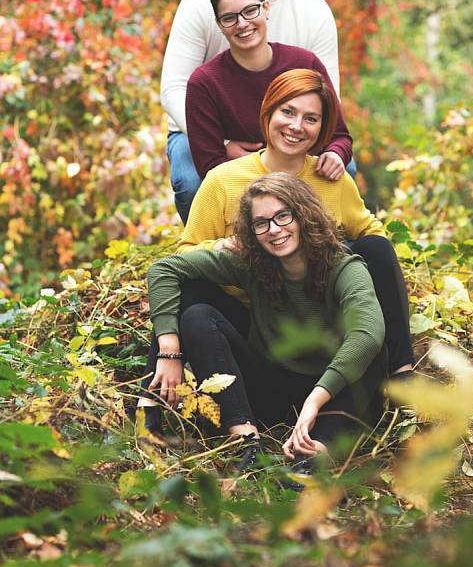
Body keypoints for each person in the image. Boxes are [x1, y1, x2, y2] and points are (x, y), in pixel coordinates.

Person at [137, 69, 413, 433]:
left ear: (322, 127)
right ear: (267, 113)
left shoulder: (331, 178)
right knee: (193, 291)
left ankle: (402, 372)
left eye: (311, 118)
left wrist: (325, 256)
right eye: (288, 112)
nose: (297, 126)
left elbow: (371, 237)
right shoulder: (223, 179)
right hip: (250, 312)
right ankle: (158, 392)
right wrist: (228, 245)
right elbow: (182, 257)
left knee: (376, 250)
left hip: (319, 312)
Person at [147, 173, 387, 471]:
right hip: (272, 388)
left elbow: (368, 333)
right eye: (261, 223)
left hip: (334, 395)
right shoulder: (254, 265)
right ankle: (246, 444)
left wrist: (315, 400)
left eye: (283, 216)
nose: (274, 230)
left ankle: (313, 456)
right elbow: (163, 270)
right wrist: (169, 349)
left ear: (303, 214)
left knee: (373, 347)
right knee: (198, 316)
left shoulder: (344, 267)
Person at [160, 0, 340, 220]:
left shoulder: (314, 13)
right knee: (190, 181)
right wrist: (220, 142)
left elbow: (328, 101)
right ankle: (207, 254)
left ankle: (322, 256)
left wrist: (290, 148)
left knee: (340, 168)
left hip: (288, 131)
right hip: (202, 130)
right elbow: (174, 87)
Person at [186, 0, 352, 182]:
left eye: (250, 11)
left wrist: (335, 154)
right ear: (219, 25)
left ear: (266, 8)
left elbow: (340, 136)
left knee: (346, 174)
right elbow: (209, 165)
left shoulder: (304, 63)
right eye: (229, 18)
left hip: (304, 176)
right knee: (187, 183)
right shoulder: (204, 83)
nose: (242, 24)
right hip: (243, 185)